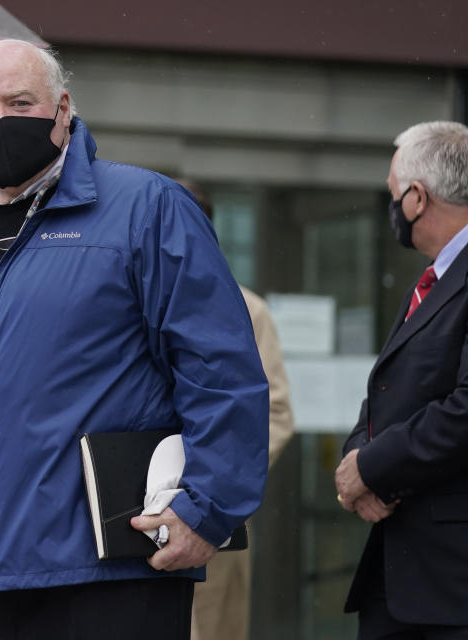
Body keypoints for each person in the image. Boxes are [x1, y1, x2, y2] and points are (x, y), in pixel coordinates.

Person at [0, 39, 269, 640]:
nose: (0, 121)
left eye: (20, 102)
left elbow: (219, 368)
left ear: (63, 109)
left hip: (100, 577)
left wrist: (207, 508)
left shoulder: (147, 208)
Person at [335, 121, 468, 638]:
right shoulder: (445, 272)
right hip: (409, 575)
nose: (393, 207)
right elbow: (393, 387)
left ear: (416, 197)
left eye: (392, 194)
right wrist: (359, 461)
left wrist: (373, 466)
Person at [175, 179, 295, 640]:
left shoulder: (248, 310)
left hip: (215, 512)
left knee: (213, 627)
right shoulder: (126, 301)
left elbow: (275, 414)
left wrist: (211, 485)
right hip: (137, 512)